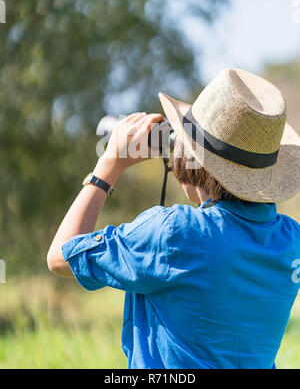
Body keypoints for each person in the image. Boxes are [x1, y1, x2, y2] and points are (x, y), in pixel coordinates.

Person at [47, 68, 300, 369]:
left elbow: (61, 256)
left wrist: (108, 166)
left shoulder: (175, 233)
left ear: (194, 158)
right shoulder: (291, 239)